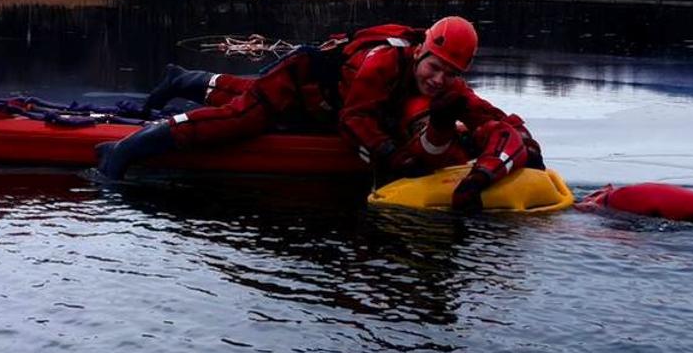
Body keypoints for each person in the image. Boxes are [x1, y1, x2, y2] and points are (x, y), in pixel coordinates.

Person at [98, 17, 540, 211]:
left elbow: (486, 113)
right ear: (422, 50)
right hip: (305, 78)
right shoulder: (384, 62)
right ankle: (125, 149)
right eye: (435, 68)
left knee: (246, 95)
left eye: (451, 74)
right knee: (244, 118)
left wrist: (526, 142)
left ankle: (183, 79)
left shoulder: (443, 83)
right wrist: (392, 157)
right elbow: (354, 121)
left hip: (329, 102)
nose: (439, 80)